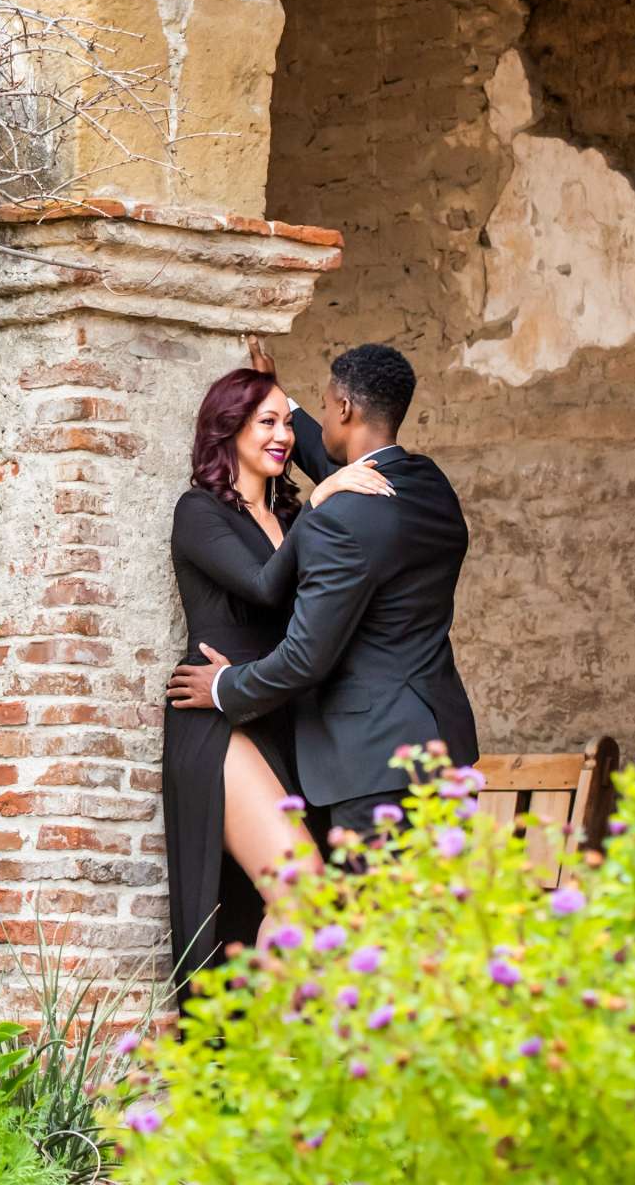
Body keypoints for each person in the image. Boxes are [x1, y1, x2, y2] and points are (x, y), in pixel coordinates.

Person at [167, 339, 479, 847]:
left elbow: (305, 657)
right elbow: (351, 477)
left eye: (324, 404)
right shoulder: (429, 487)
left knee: (370, 920)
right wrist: (281, 398)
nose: (288, 436)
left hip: (375, 764)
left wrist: (223, 687)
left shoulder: (338, 520)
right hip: (446, 749)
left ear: (344, 408)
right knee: (436, 919)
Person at [162, 365, 392, 992]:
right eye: (267, 422)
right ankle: (275, 1062)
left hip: (287, 725)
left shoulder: (293, 519)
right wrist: (324, 497)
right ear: (228, 429)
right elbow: (266, 588)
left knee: (281, 910)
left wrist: (283, 392)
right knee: (304, 895)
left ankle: (266, 1067)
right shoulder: (200, 512)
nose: (284, 436)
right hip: (217, 720)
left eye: (289, 423)